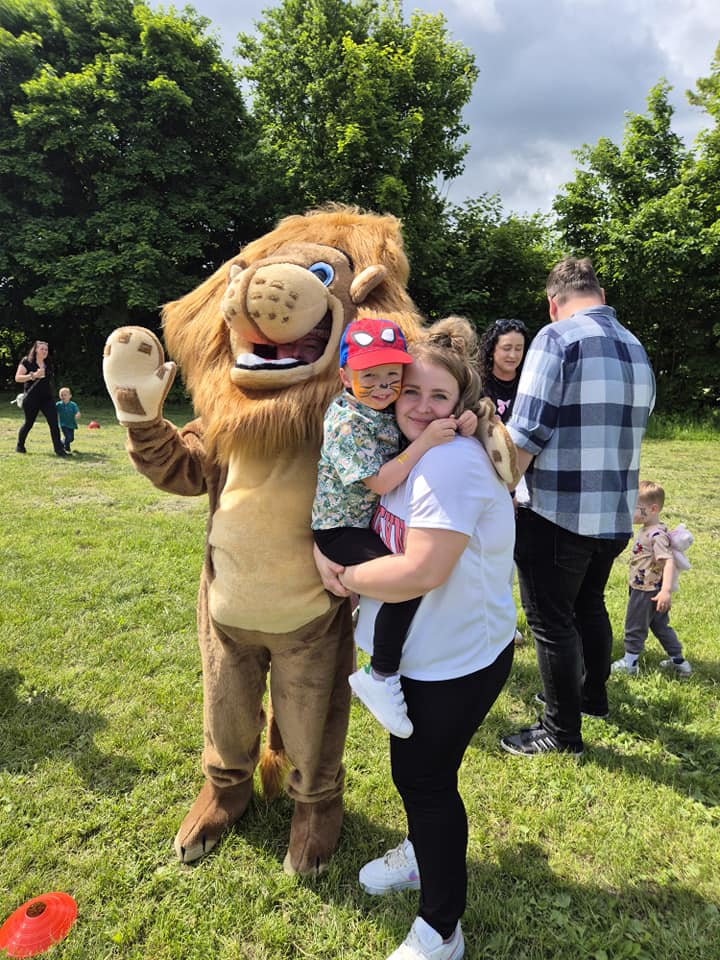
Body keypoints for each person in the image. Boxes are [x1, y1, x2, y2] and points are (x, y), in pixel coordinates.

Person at [314, 316, 516, 960]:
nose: (422, 407)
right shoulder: (405, 451)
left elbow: (422, 571)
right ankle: (421, 853)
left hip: (455, 660)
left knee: (426, 783)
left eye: (439, 397)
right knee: (421, 775)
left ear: (461, 404)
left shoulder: (447, 465)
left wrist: (341, 574)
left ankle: (440, 930)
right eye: (411, 392)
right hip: (422, 655)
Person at [499, 256, 656, 758]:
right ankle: (592, 698)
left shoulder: (557, 338)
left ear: (553, 303)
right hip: (614, 512)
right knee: (588, 605)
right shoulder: (635, 345)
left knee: (551, 622)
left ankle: (560, 732)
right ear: (601, 297)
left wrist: (501, 488)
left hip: (558, 511)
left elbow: (526, 430)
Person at [312, 315, 476, 739]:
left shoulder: (378, 409)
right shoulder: (347, 422)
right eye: (369, 377)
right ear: (344, 377)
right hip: (341, 529)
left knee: (401, 579)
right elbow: (382, 481)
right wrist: (428, 441)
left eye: (392, 378)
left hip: (359, 524)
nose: (383, 388)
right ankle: (381, 674)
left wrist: (468, 419)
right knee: (405, 583)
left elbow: (415, 428)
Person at [611, 481, 692, 678]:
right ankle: (679, 661)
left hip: (646, 590)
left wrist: (666, 591)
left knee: (635, 624)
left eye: (635, 508)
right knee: (660, 625)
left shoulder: (656, 535)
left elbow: (668, 562)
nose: (630, 512)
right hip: (647, 587)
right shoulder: (649, 529)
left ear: (653, 509)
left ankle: (630, 662)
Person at [15, 341, 68, 457]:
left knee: (54, 423)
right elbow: (17, 378)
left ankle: (59, 450)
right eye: (42, 349)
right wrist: (33, 375)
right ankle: (20, 446)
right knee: (29, 423)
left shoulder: (48, 362)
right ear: (36, 350)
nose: (44, 351)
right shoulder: (27, 361)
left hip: (47, 398)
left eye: (46, 349)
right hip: (31, 398)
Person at [478, 318, 531, 423]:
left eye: (518, 349)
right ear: (492, 349)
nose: (513, 355)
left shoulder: (529, 384)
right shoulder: (477, 384)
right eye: (506, 348)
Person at [56, 387, 81, 453]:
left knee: (71, 438)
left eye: (65, 395)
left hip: (71, 424)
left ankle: (61, 442)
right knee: (68, 437)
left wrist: (77, 414)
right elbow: (53, 410)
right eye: (61, 395)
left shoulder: (73, 405)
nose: (63, 396)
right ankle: (66, 447)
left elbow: (77, 412)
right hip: (63, 424)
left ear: (70, 396)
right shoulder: (59, 404)